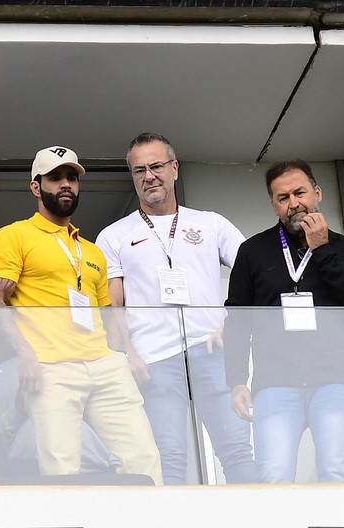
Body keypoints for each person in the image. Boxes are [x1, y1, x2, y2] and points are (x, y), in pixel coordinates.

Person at [0, 146, 162, 484]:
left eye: (71, 177)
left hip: (105, 364)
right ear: (36, 187)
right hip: (50, 366)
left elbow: (107, 314)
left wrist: (126, 354)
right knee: (61, 467)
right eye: (55, 177)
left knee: (143, 458)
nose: (66, 184)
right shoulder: (13, 235)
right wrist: (24, 355)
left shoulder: (91, 250)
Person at [96, 133, 255, 485]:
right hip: (153, 358)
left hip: (212, 350)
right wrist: (128, 353)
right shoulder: (113, 235)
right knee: (168, 457)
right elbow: (112, 306)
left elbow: (252, 274)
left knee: (237, 449)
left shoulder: (210, 223)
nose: (149, 176)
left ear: (174, 168)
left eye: (156, 166)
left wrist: (231, 322)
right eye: (139, 170)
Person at [224, 160, 344, 484]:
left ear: (317, 193)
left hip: (334, 379)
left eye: (300, 193)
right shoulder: (253, 251)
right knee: (273, 476)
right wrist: (236, 379)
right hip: (275, 381)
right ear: (273, 205)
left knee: (337, 471)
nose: (293, 203)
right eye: (283, 197)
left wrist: (322, 251)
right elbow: (237, 320)